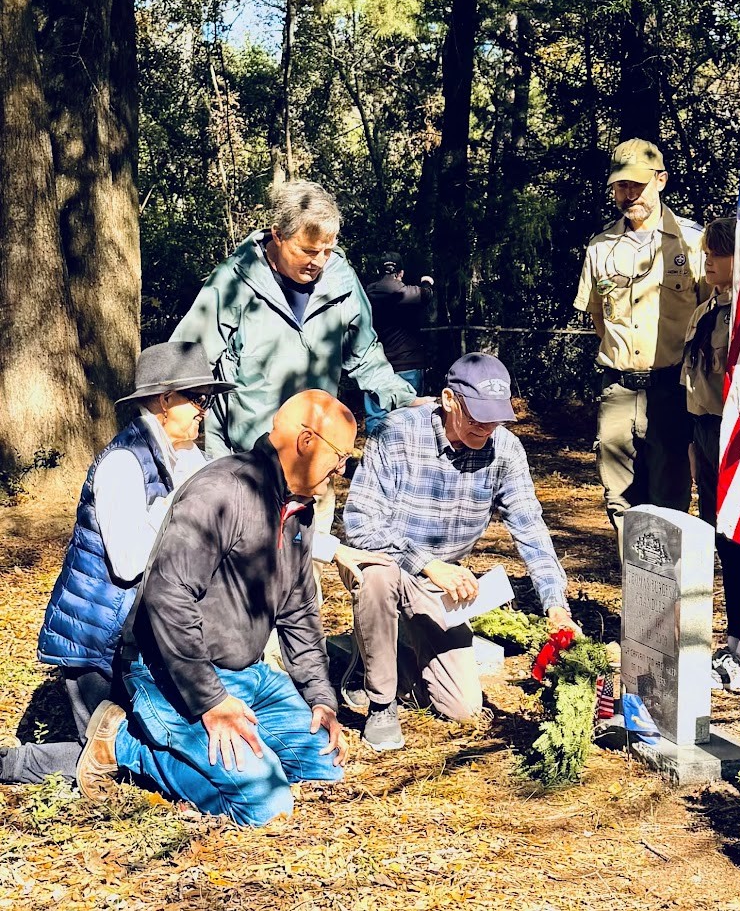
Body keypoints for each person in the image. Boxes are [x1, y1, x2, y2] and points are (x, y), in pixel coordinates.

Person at [76, 391, 371, 826]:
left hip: (250, 675)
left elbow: (300, 613)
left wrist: (321, 700)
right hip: (173, 674)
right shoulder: (223, 491)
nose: (341, 470)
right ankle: (120, 742)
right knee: (265, 805)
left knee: (323, 769)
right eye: (340, 456)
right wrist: (212, 701)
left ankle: (240, 756)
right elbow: (167, 598)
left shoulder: (299, 510)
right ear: (306, 441)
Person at [170, 180, 426, 595]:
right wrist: (179, 433)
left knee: (300, 585)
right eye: (308, 251)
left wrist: (404, 396)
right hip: (247, 464)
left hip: (314, 465)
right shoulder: (235, 280)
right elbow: (190, 360)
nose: (320, 261)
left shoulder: (341, 279)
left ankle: (295, 660)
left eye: (328, 249)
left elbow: (364, 355)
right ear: (278, 236)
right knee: (239, 587)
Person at [0, 343, 234, 785]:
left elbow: (233, 512)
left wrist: (326, 547)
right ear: (166, 401)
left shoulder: (185, 457)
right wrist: (180, 509)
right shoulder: (123, 463)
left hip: (140, 636)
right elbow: (128, 564)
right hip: (98, 645)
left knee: (165, 748)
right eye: (199, 398)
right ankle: (11, 763)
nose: (206, 410)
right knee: (120, 758)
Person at [341, 353, 580, 752]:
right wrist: (427, 564)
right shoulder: (395, 434)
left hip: (445, 588)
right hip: (388, 566)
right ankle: (381, 703)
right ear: (449, 400)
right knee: (378, 575)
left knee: (462, 707)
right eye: (476, 417)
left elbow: (531, 530)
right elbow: (361, 525)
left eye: (496, 418)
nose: (486, 428)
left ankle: (384, 655)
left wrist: (556, 605)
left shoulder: (505, 450)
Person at [574, 139, 706, 551]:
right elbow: (598, 315)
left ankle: (671, 601)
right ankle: (638, 591)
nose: (629, 194)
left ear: (660, 180)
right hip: (617, 390)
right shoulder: (600, 247)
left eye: (637, 184)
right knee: (619, 499)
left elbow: (710, 312)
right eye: (620, 186)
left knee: (670, 498)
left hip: (670, 390)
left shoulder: (690, 242)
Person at [681, 218, 740, 693]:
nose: (709, 262)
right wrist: (697, 454)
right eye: (709, 253)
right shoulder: (705, 313)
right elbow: (695, 388)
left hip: (738, 441)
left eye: (719, 254)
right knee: (722, 542)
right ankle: (736, 641)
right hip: (706, 438)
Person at [363, 251, 433, 435]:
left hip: (375, 364)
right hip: (408, 363)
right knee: (410, 417)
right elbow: (427, 294)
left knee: (376, 417)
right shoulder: (409, 293)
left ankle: (374, 459)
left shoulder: (365, 293)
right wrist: (426, 281)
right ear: (400, 272)